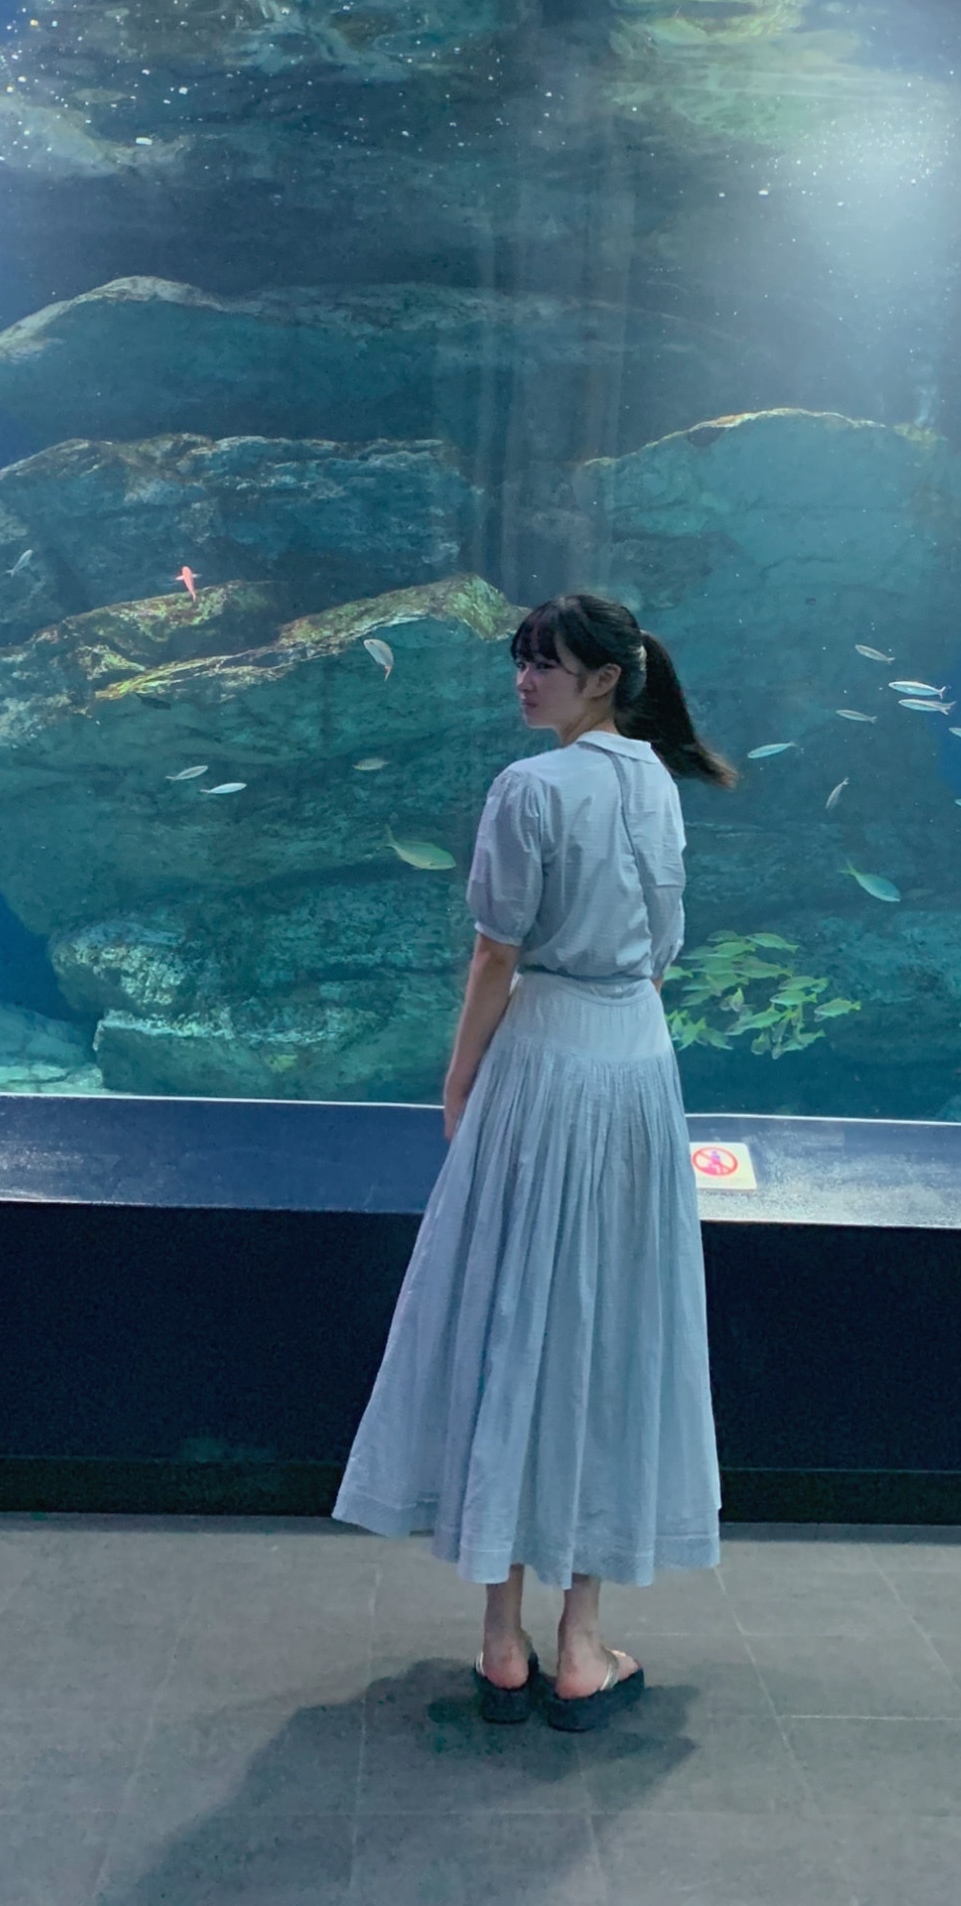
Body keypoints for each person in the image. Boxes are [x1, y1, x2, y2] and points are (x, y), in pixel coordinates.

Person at [331, 592, 737, 1731]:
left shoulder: (530, 789)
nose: (525, 678)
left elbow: (495, 954)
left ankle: (501, 1636)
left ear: (603, 677)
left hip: (544, 1060)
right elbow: (660, 951)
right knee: (611, 1329)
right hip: (635, 1064)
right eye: (521, 660)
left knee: (514, 1318)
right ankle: (580, 1641)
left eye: (545, 662)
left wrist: (460, 1078)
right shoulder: (656, 784)